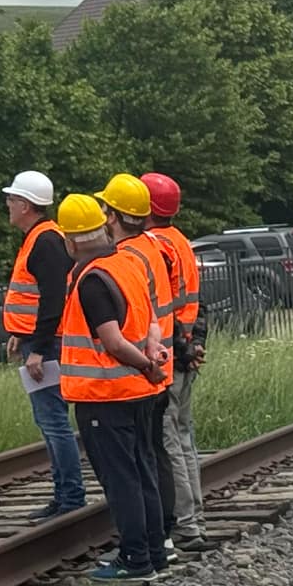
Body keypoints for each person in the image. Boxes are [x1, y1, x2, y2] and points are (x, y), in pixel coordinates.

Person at [55, 192, 170, 580]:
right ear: (103, 228)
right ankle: (155, 554)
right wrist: (153, 355)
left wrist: (145, 366)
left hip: (106, 397)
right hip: (137, 394)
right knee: (143, 471)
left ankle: (135, 558)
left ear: (69, 241)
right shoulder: (128, 262)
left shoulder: (91, 281)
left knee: (121, 479)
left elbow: (113, 340)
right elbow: (152, 319)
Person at [98, 172, 176, 556]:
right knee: (152, 453)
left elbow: (124, 328)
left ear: (112, 216)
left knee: (141, 461)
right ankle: (162, 537)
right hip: (157, 361)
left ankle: (150, 541)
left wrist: (147, 361)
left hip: (137, 372)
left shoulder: (124, 259)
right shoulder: (154, 247)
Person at [1, 169, 85, 520]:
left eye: (11, 199)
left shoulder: (45, 242)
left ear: (25, 204)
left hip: (47, 346)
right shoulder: (40, 238)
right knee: (49, 420)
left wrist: (37, 347)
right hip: (37, 340)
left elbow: (54, 299)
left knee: (53, 422)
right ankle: (64, 495)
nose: (7, 205)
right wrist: (21, 333)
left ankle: (70, 497)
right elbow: (37, 298)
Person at [142, 171, 208, 553]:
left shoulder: (155, 247)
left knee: (169, 442)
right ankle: (193, 517)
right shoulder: (180, 241)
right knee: (183, 437)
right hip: (184, 349)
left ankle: (185, 524)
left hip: (168, 353)